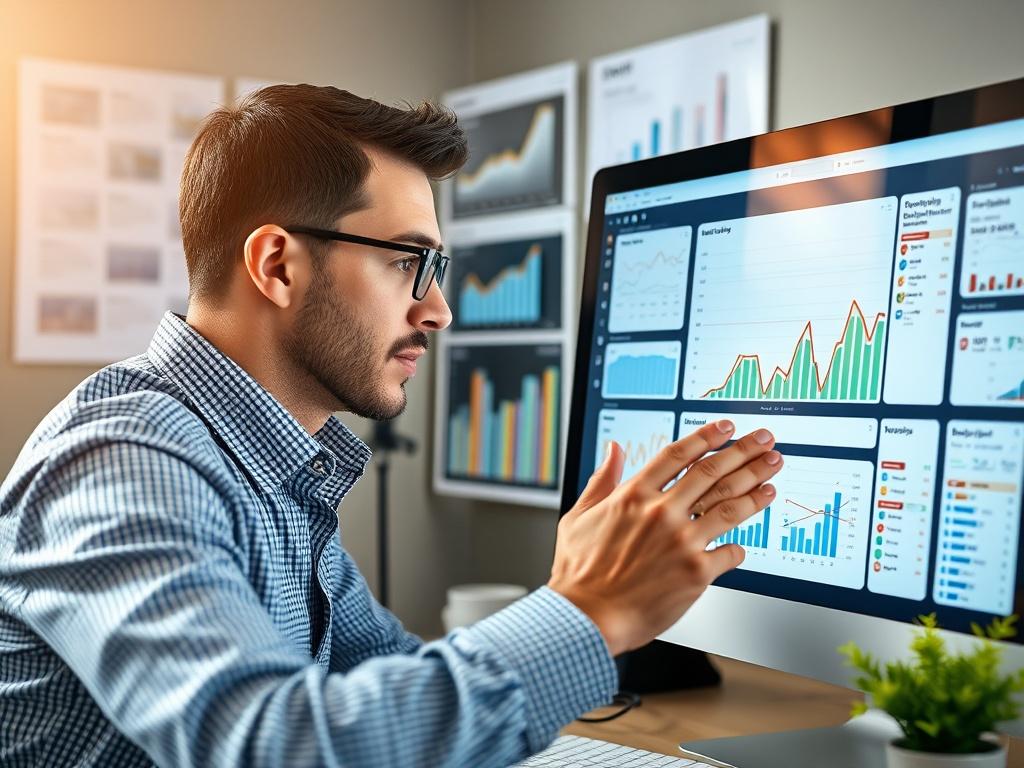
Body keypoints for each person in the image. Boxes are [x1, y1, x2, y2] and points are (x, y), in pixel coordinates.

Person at [0, 85, 783, 768]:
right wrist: (586, 611)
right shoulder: (125, 463)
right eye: (408, 261)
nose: (438, 310)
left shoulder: (274, 468)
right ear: (276, 266)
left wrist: (581, 599)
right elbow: (271, 749)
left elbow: (393, 686)